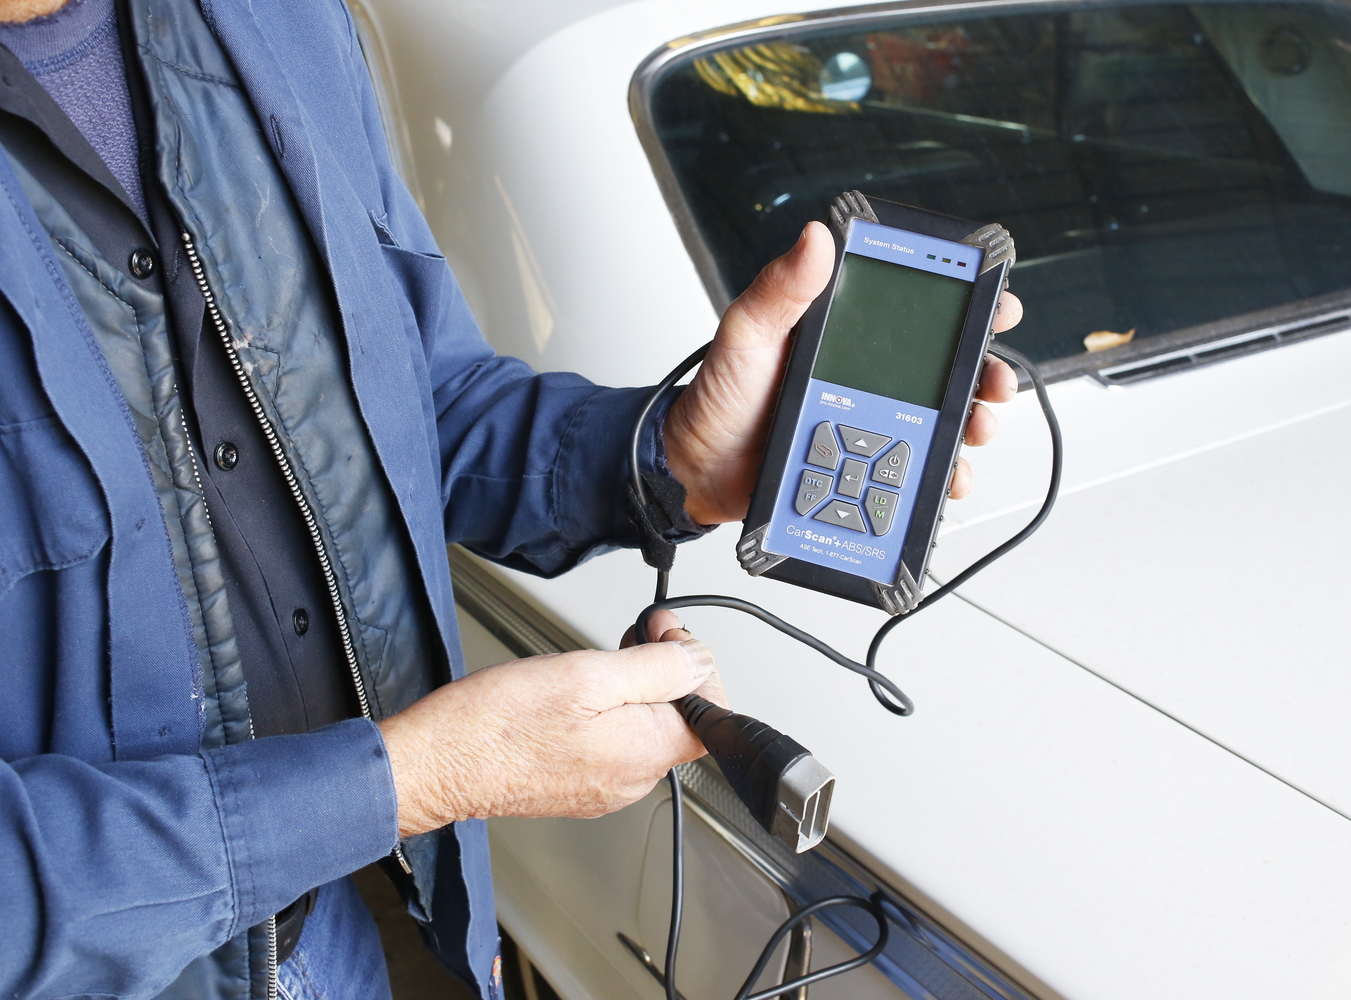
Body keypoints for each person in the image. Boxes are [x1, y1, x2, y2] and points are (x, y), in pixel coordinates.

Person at [0, 0, 1025, 997]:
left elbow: (417, 398)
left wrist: (670, 453)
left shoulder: (283, 19)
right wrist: (415, 781)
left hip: (338, 936)